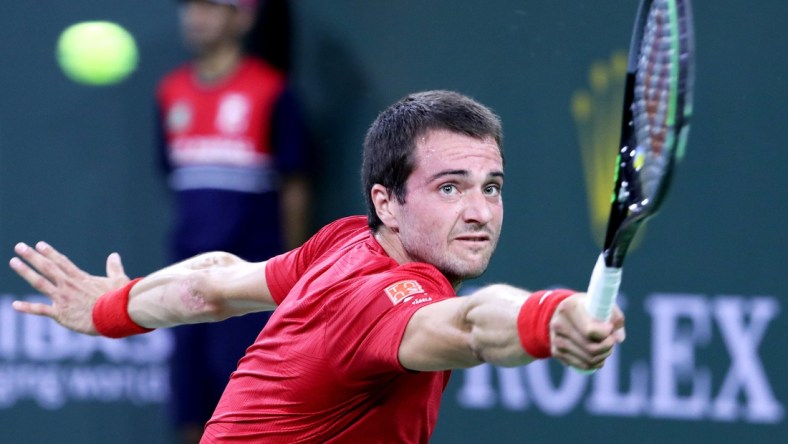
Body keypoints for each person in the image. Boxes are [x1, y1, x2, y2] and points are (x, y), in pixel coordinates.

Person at [10, 90, 625, 443]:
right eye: (448, 188)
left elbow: (209, 287)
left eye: (491, 187)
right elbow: (468, 326)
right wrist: (550, 318)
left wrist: (111, 308)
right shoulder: (384, 300)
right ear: (387, 201)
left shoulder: (343, 243)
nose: (479, 211)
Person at [155, 0, 311, 441]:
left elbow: (294, 184)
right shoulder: (170, 92)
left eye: (212, 7)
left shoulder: (272, 90)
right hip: (183, 276)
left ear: (242, 18)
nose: (196, 17)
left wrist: (288, 275)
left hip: (251, 283)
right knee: (191, 405)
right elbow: (173, 174)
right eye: (191, 7)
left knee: (247, 412)